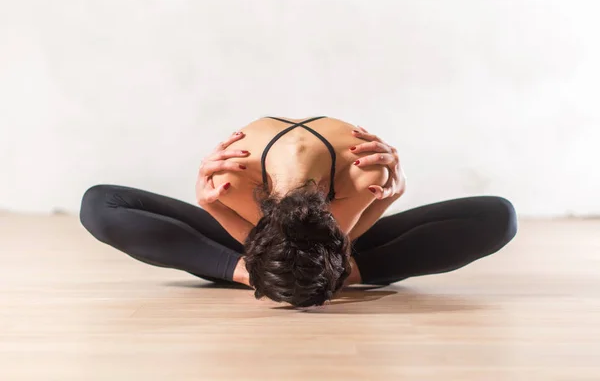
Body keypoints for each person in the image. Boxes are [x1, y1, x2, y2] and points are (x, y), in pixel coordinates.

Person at [80, 116, 517, 307]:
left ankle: (294, 273)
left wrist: (384, 200)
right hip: (305, 241)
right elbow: (322, 238)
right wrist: (210, 206)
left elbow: (331, 238)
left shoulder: (364, 179)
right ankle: (275, 274)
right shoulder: (235, 180)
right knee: (100, 204)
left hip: (320, 239)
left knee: (499, 215)